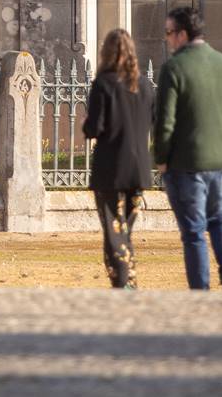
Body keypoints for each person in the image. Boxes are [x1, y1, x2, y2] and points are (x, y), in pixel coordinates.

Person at [152, 5, 222, 291]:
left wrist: (161, 158)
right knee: (219, 218)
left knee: (194, 230)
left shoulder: (174, 68)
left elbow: (165, 120)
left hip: (187, 161)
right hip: (220, 159)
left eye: (169, 33)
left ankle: (201, 289)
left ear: (182, 34)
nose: (168, 39)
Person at [82, 27, 153, 289]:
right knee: (125, 230)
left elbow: (95, 128)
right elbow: (151, 121)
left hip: (111, 168)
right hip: (138, 169)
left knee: (114, 230)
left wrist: (86, 123)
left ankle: (123, 282)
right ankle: (128, 279)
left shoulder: (103, 84)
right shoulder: (144, 86)